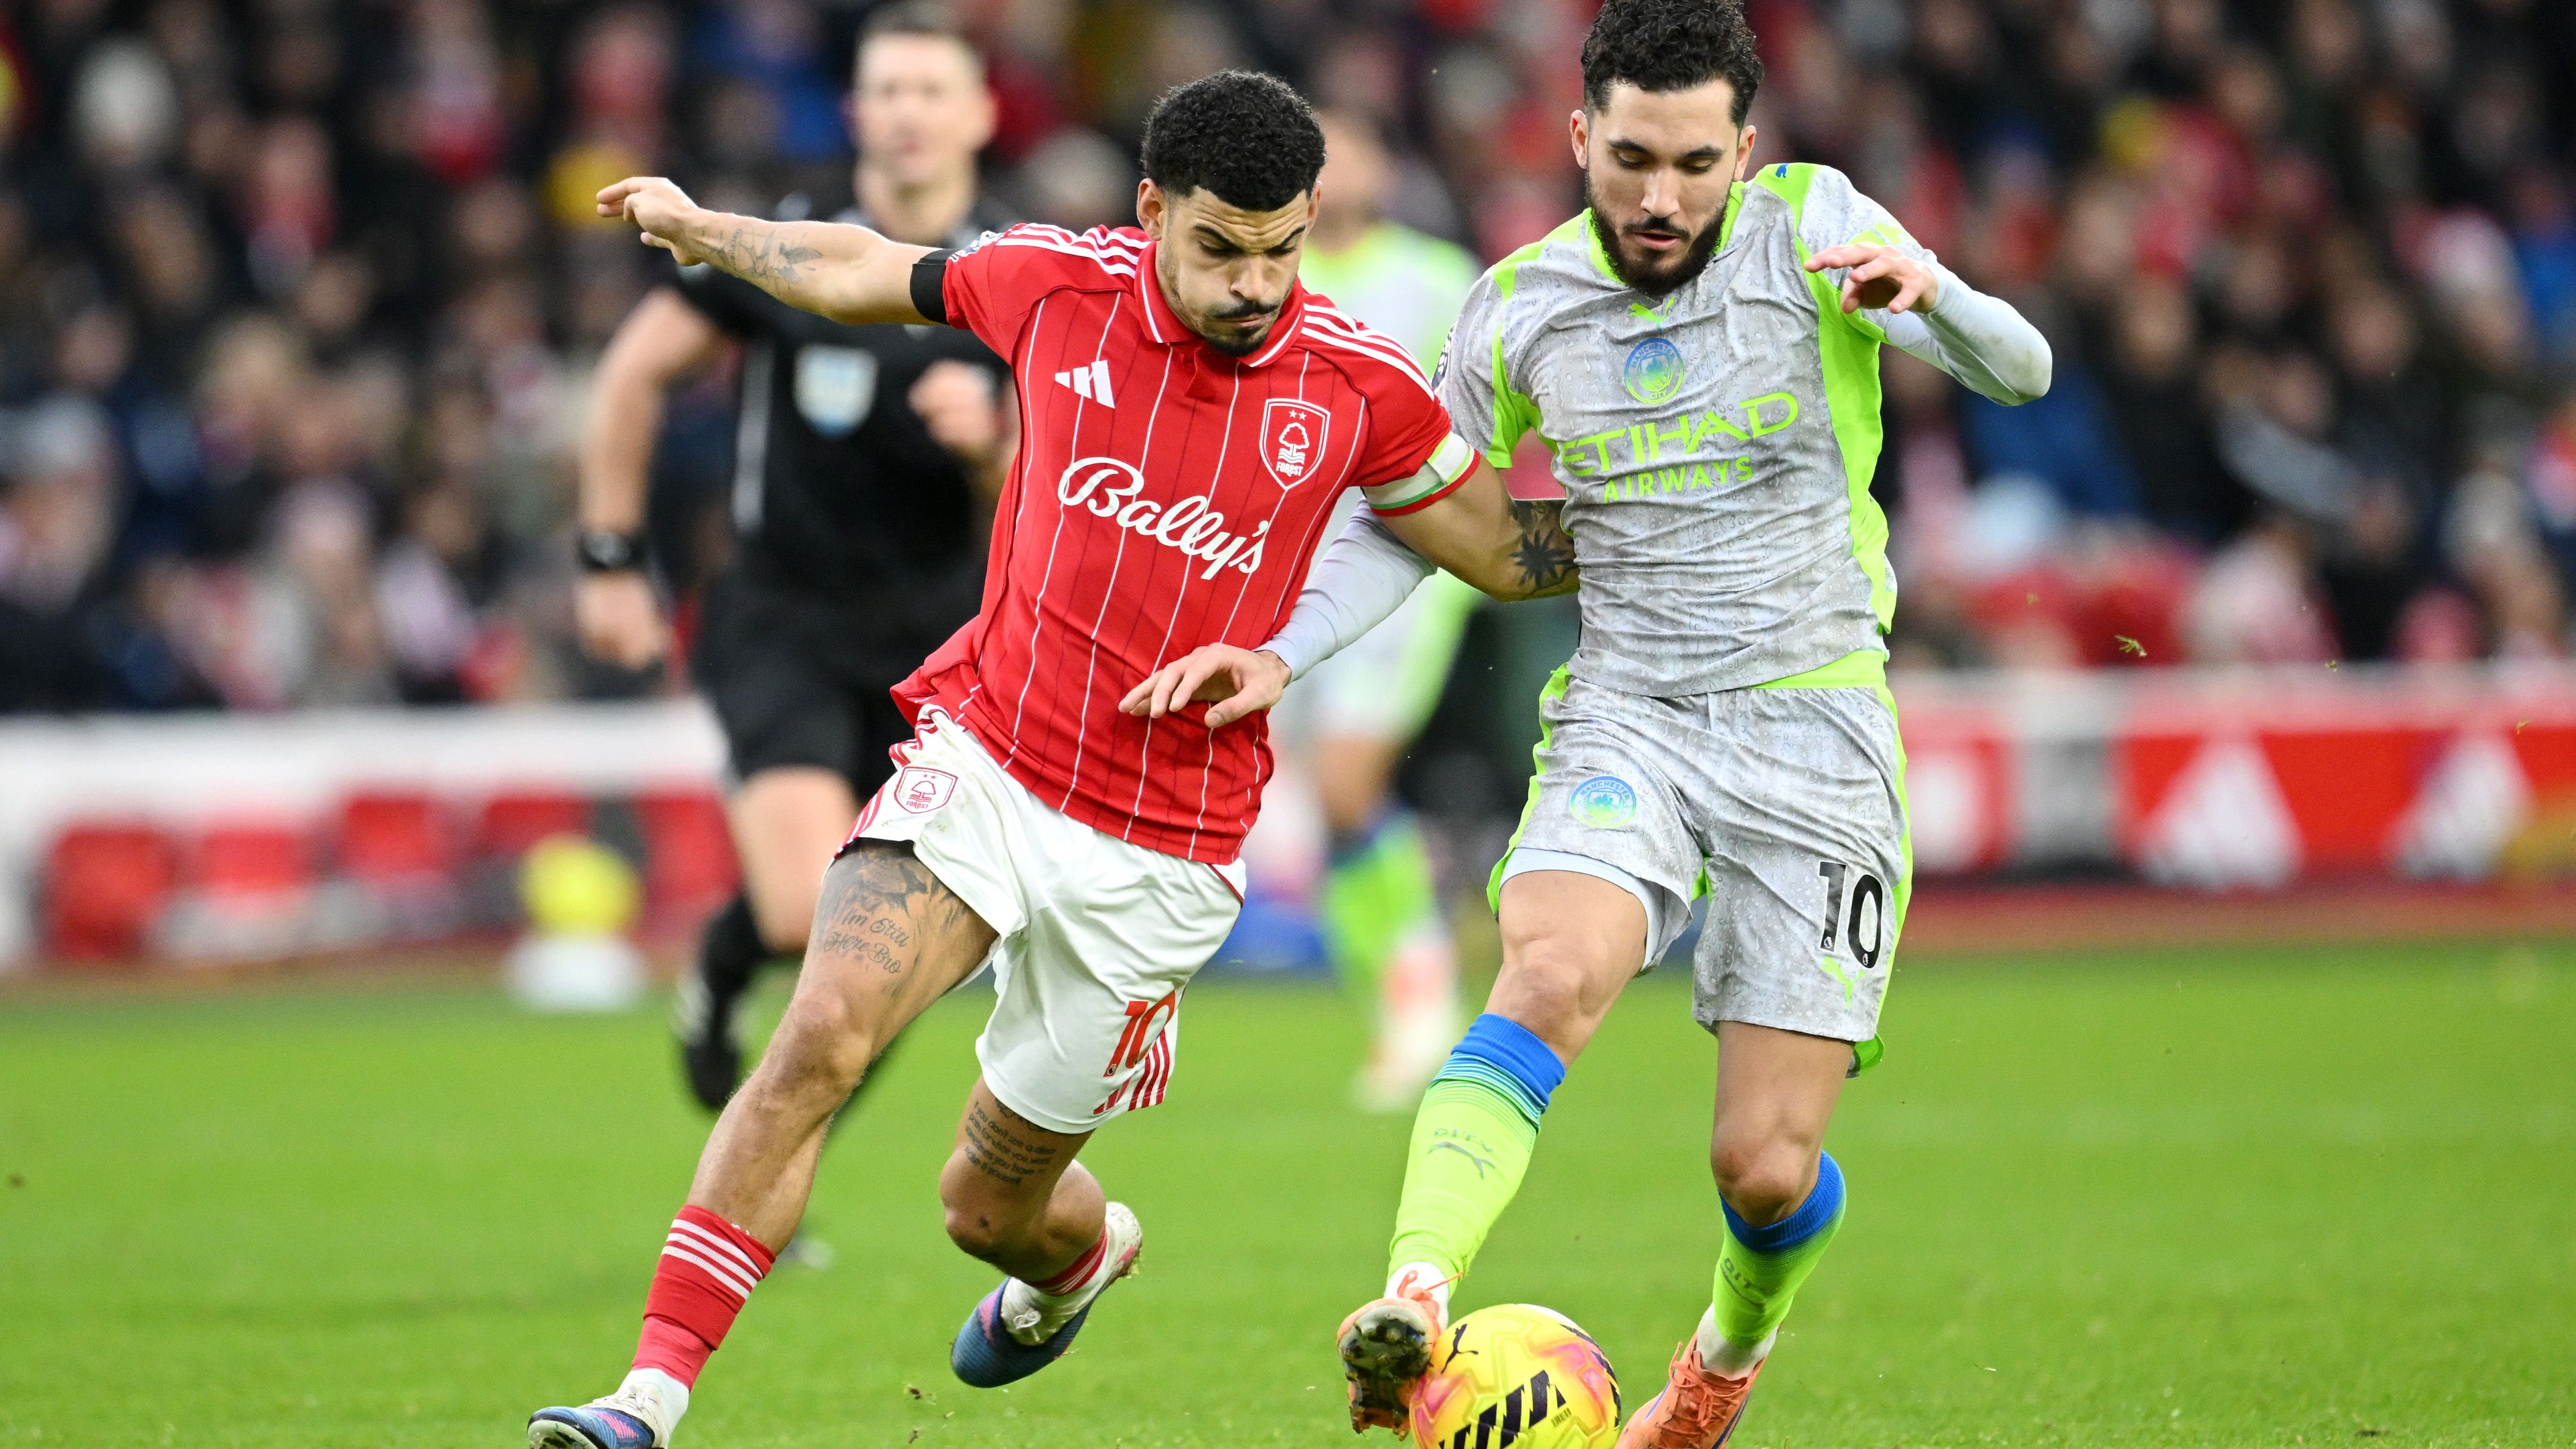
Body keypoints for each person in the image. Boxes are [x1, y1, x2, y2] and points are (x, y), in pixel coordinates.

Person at [528, 70, 1574, 1449]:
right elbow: (860, 268)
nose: (1254, 285)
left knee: (987, 1207)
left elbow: (1500, 549)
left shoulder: (1356, 384)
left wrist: (1694, 513)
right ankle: (646, 1399)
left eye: (1282, 249)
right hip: (992, 762)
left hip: (1165, 848)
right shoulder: (1053, 285)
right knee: (821, 1035)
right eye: (1219, 247)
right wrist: (707, 230)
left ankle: (1079, 1262)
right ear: (1152, 210)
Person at [1126, 1, 2052, 1443]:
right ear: (1578, 137)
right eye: (1630, 159)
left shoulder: (1817, 228)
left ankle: (1722, 1362)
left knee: (1762, 1166)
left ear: (1745, 147)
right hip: (1630, 714)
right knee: (1546, 973)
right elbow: (1413, 515)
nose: (1661, 196)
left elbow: (2024, 371)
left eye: (1695, 163)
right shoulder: (1519, 305)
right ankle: (1415, 1294)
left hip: (1816, 727)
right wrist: (1283, 650)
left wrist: (1931, 295)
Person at [573, 3, 1013, 1117]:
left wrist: (992, 449)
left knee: (897, 949)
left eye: (932, 91)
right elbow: (631, 374)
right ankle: (727, 966)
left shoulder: (1018, 273)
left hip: (945, 643)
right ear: (855, 111)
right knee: (805, 915)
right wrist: (610, 559)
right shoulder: (788, 240)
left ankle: (777, 1156)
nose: (909, 113)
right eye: (889, 90)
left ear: (979, 114)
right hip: (786, 618)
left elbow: (1057, 493)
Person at [1258, 109, 1485, 1110]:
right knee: (1322, 804)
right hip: (1282, 576)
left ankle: (1421, 997)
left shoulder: (1437, 277)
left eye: (1354, 152)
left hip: (1402, 569)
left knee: (1348, 787)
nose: (1337, 172)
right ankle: (1397, 1004)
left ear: (1385, 168)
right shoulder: (1268, 278)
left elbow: (1485, 407)